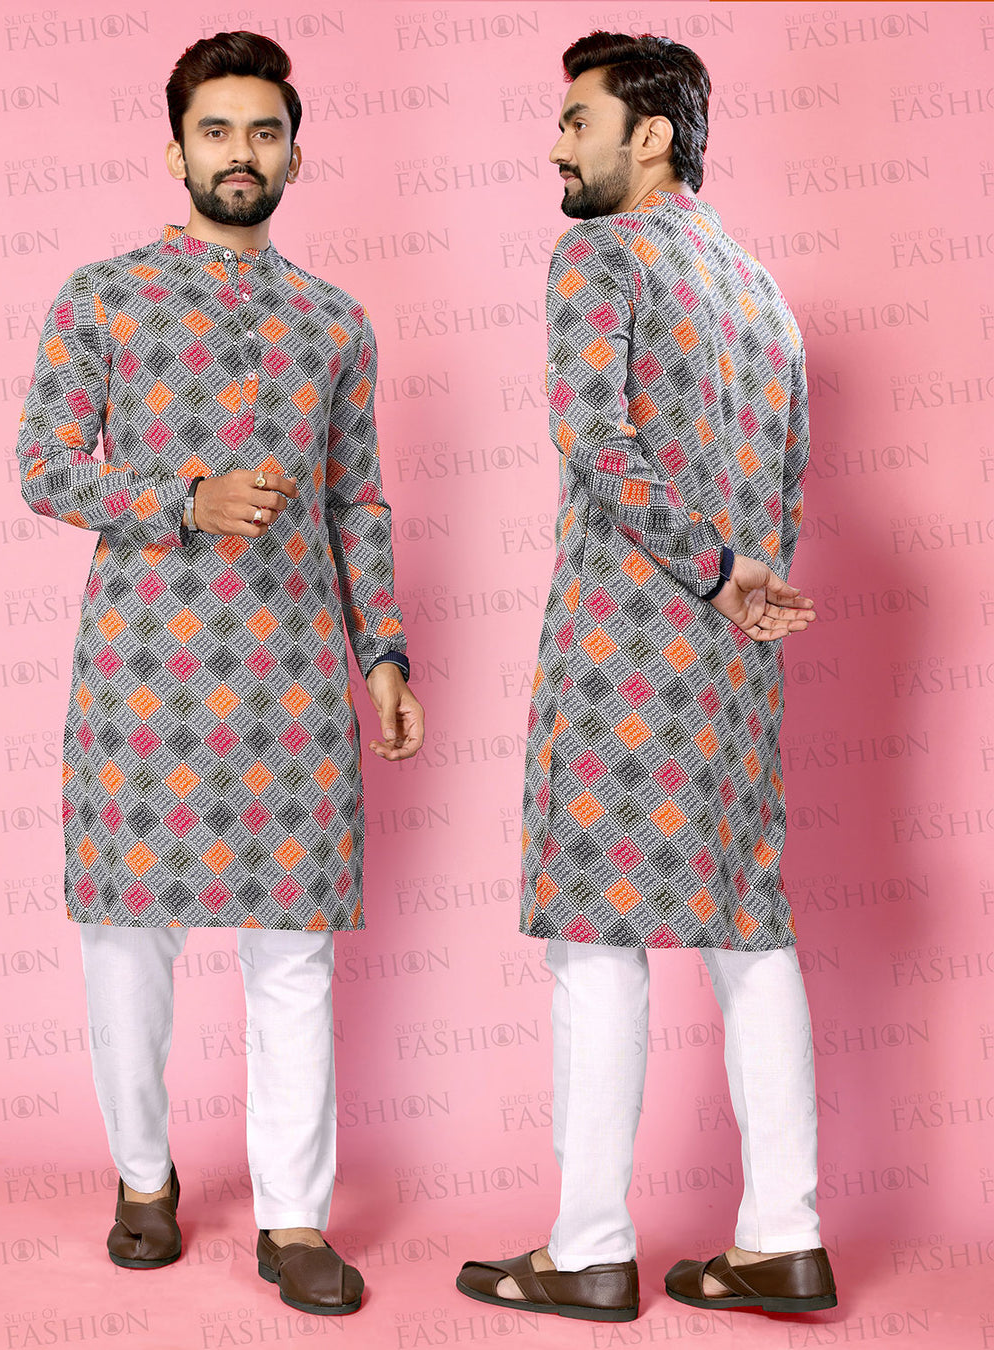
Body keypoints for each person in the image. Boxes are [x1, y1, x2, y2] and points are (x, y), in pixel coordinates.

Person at [14, 30, 423, 1315]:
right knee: (127, 943)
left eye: (263, 131)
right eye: (216, 130)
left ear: (295, 152)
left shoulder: (334, 322)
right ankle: (144, 1179)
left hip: (294, 681)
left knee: (292, 955)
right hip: (143, 675)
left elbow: (358, 501)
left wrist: (384, 651)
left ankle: (294, 1221)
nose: (241, 153)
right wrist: (183, 498)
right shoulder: (104, 297)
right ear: (175, 147)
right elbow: (44, 467)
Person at [457, 31, 836, 1322]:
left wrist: (711, 566)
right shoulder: (758, 290)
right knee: (748, 929)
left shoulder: (601, 258)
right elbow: (788, 471)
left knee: (594, 939)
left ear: (652, 135)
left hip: (627, 650)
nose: (557, 145)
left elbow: (596, 440)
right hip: (735, 661)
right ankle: (783, 1235)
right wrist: (747, 583)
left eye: (579, 121)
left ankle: (588, 1248)